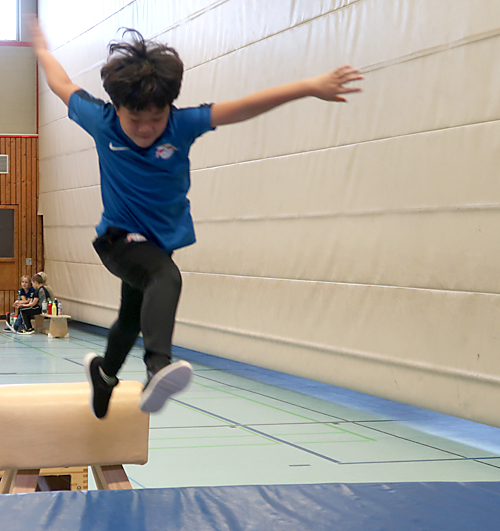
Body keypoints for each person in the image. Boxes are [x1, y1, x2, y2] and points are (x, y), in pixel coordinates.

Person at [31, 20, 362, 418]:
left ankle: (104, 375)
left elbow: (244, 107)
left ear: (169, 108)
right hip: (118, 240)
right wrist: (42, 49)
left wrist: (309, 86)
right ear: (116, 108)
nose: (146, 129)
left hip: (155, 244)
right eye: (135, 120)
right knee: (165, 277)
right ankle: (157, 367)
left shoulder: (182, 125)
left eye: (156, 118)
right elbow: (61, 83)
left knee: (131, 317)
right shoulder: (100, 121)